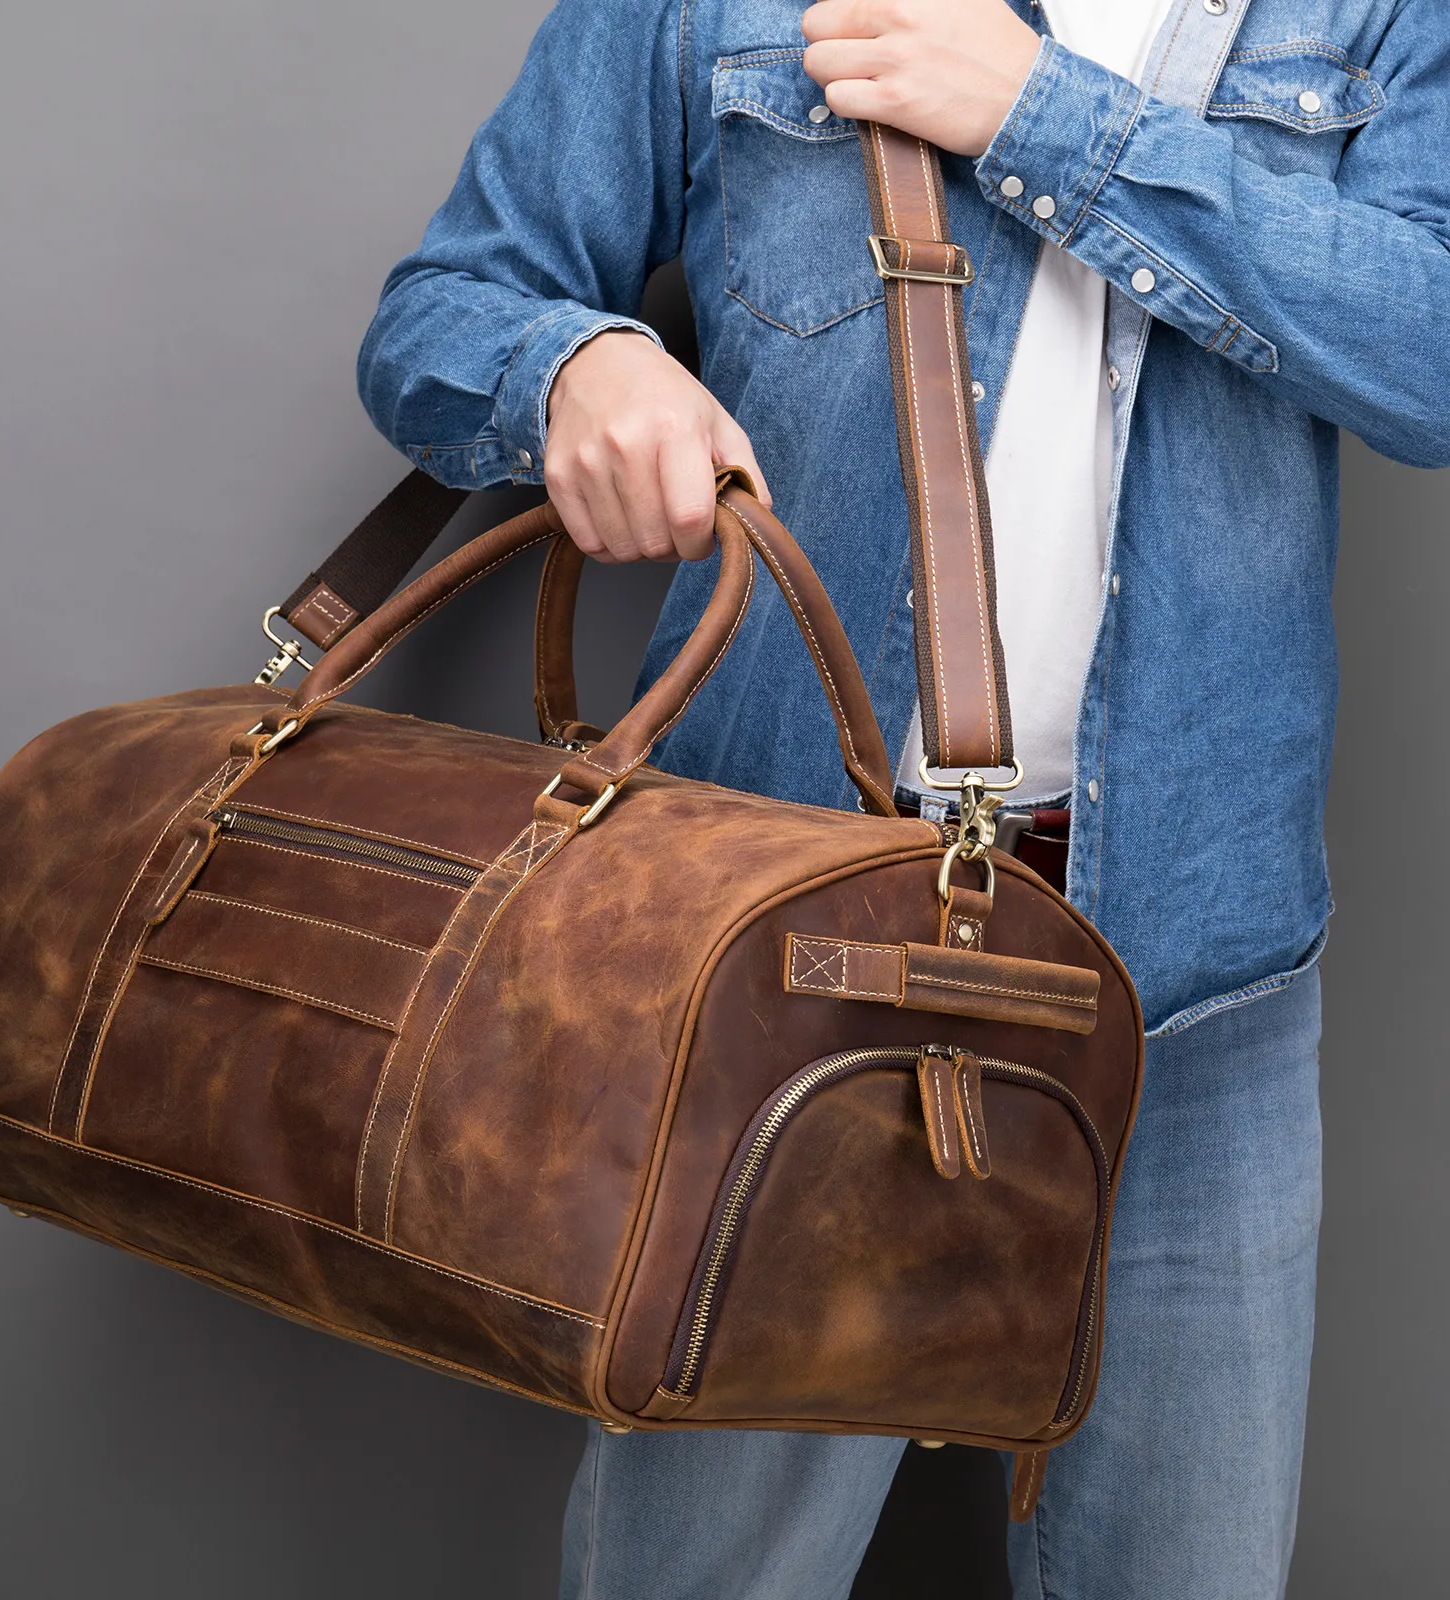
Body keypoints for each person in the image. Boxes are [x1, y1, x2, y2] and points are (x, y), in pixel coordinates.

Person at [358, 1, 1450, 1595]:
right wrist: (571, 365)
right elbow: (442, 315)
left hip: (1200, 990)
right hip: (782, 972)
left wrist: (1045, 117)